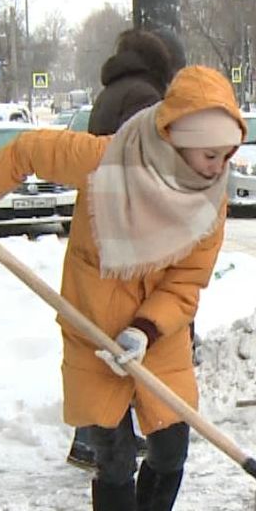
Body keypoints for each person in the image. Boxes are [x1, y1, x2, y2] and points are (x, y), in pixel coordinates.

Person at [0, 65, 243, 511]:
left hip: (156, 336)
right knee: (112, 460)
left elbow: (187, 281)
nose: (219, 166)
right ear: (178, 142)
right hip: (91, 330)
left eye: (227, 153)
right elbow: (30, 150)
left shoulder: (213, 198)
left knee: (171, 449)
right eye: (210, 155)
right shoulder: (108, 160)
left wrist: (145, 330)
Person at [69, 26, 185, 469]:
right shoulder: (143, 98)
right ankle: (104, 442)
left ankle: (93, 437)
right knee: (123, 339)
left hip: (104, 223)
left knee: (102, 338)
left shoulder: (115, 91)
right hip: (128, 230)